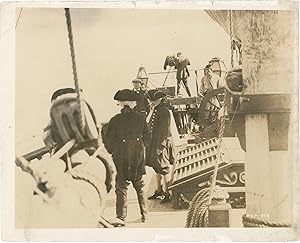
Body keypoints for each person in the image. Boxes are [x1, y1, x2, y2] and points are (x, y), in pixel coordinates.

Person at [103, 89, 151, 224]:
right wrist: (140, 147)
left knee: (121, 187)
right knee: (140, 185)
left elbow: (108, 142)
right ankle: (145, 214)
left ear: (121, 104)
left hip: (121, 157)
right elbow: (148, 137)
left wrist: (114, 151)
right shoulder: (141, 118)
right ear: (132, 104)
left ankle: (121, 217)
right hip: (137, 156)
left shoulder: (114, 120)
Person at [146, 90, 176, 203]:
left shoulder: (164, 111)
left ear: (158, 100)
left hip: (161, 143)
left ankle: (167, 193)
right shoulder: (157, 109)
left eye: (152, 100)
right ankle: (159, 190)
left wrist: (161, 146)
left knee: (164, 168)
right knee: (157, 167)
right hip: (155, 142)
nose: (150, 102)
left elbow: (165, 131)